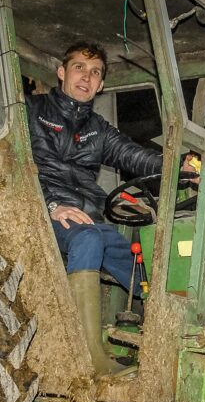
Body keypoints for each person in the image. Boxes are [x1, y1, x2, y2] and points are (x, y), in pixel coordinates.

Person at [26, 41, 196, 372]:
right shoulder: (31, 111)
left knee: (140, 264)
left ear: (101, 85)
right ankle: (87, 358)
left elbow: (135, 156)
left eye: (95, 73)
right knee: (90, 239)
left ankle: (165, 344)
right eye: (79, 68)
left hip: (86, 218)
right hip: (42, 211)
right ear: (62, 73)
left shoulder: (97, 129)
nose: (86, 78)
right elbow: (10, 161)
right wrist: (50, 205)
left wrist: (179, 166)